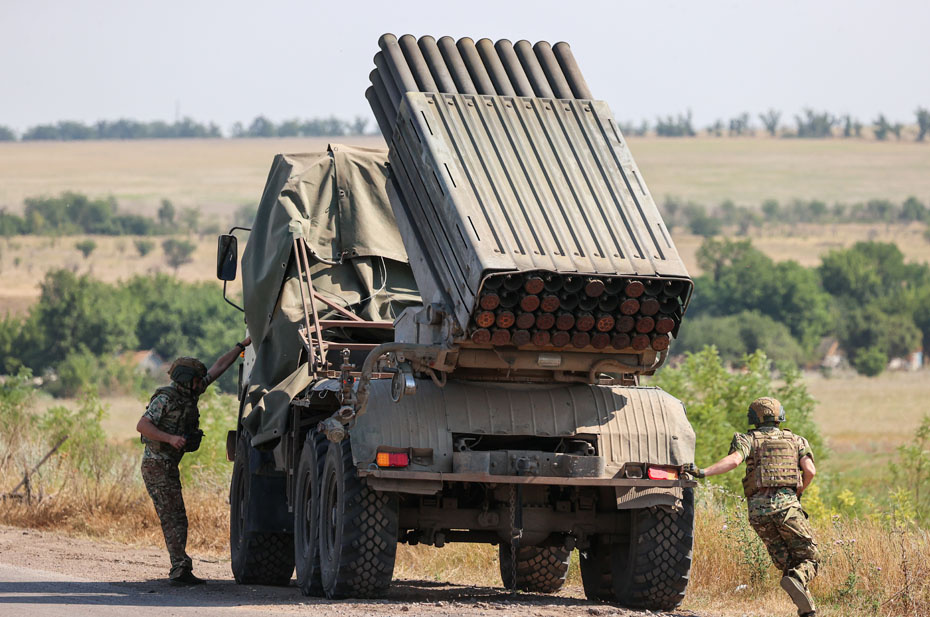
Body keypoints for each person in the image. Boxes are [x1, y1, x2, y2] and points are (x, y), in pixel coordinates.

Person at [684, 397, 820, 617]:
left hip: (758, 514)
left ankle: (808, 611)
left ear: (754, 418)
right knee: (809, 558)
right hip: (787, 509)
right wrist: (798, 492)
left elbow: (734, 461)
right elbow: (810, 471)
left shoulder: (748, 439)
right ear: (780, 416)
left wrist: (703, 472)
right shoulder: (797, 440)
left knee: (788, 564)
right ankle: (800, 586)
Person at [136, 337, 251, 585]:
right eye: (198, 380)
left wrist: (241, 346)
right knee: (173, 516)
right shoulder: (165, 399)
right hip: (156, 464)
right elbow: (142, 425)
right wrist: (170, 438)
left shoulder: (191, 392)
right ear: (188, 381)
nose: (202, 383)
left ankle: (180, 567)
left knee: (177, 516)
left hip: (167, 464)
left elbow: (218, 367)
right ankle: (179, 569)